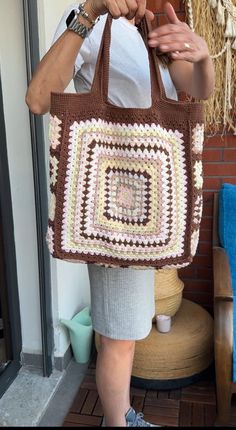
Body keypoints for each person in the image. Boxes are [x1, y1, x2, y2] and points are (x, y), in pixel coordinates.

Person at [25, 0, 215, 426]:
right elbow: (38, 99)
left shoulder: (150, 27)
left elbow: (200, 90)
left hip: (144, 207)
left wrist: (201, 54)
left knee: (124, 332)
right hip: (114, 209)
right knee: (119, 339)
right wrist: (91, 10)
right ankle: (117, 420)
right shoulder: (89, 19)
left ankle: (122, 414)